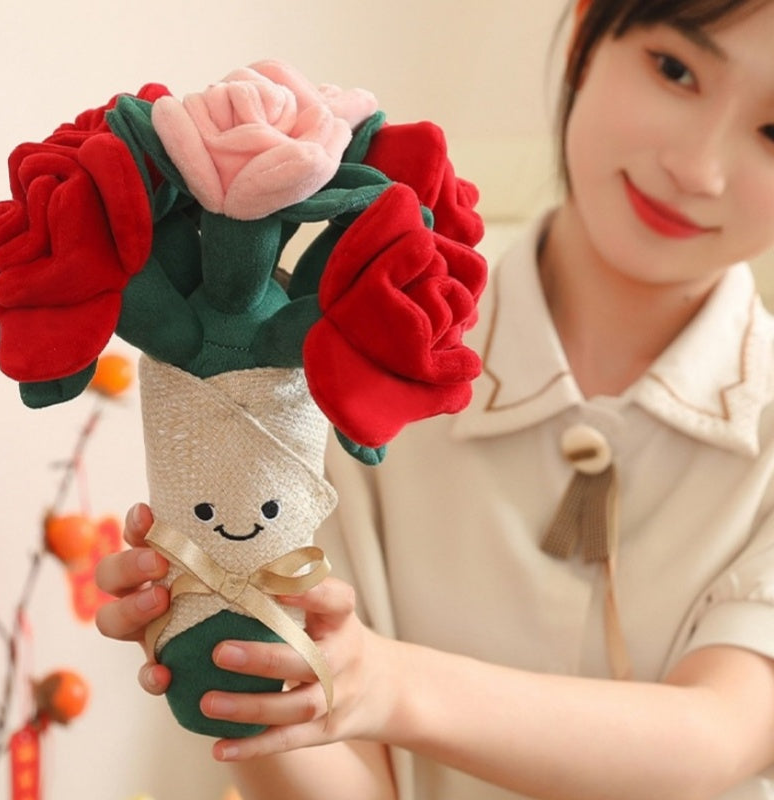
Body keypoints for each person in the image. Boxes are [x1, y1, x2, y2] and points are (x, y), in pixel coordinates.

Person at [94, 0, 774, 797]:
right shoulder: (352, 356)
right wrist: (241, 660)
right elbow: (355, 779)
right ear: (585, 42)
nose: (698, 168)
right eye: (675, 69)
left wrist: (383, 682)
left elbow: (722, 729)